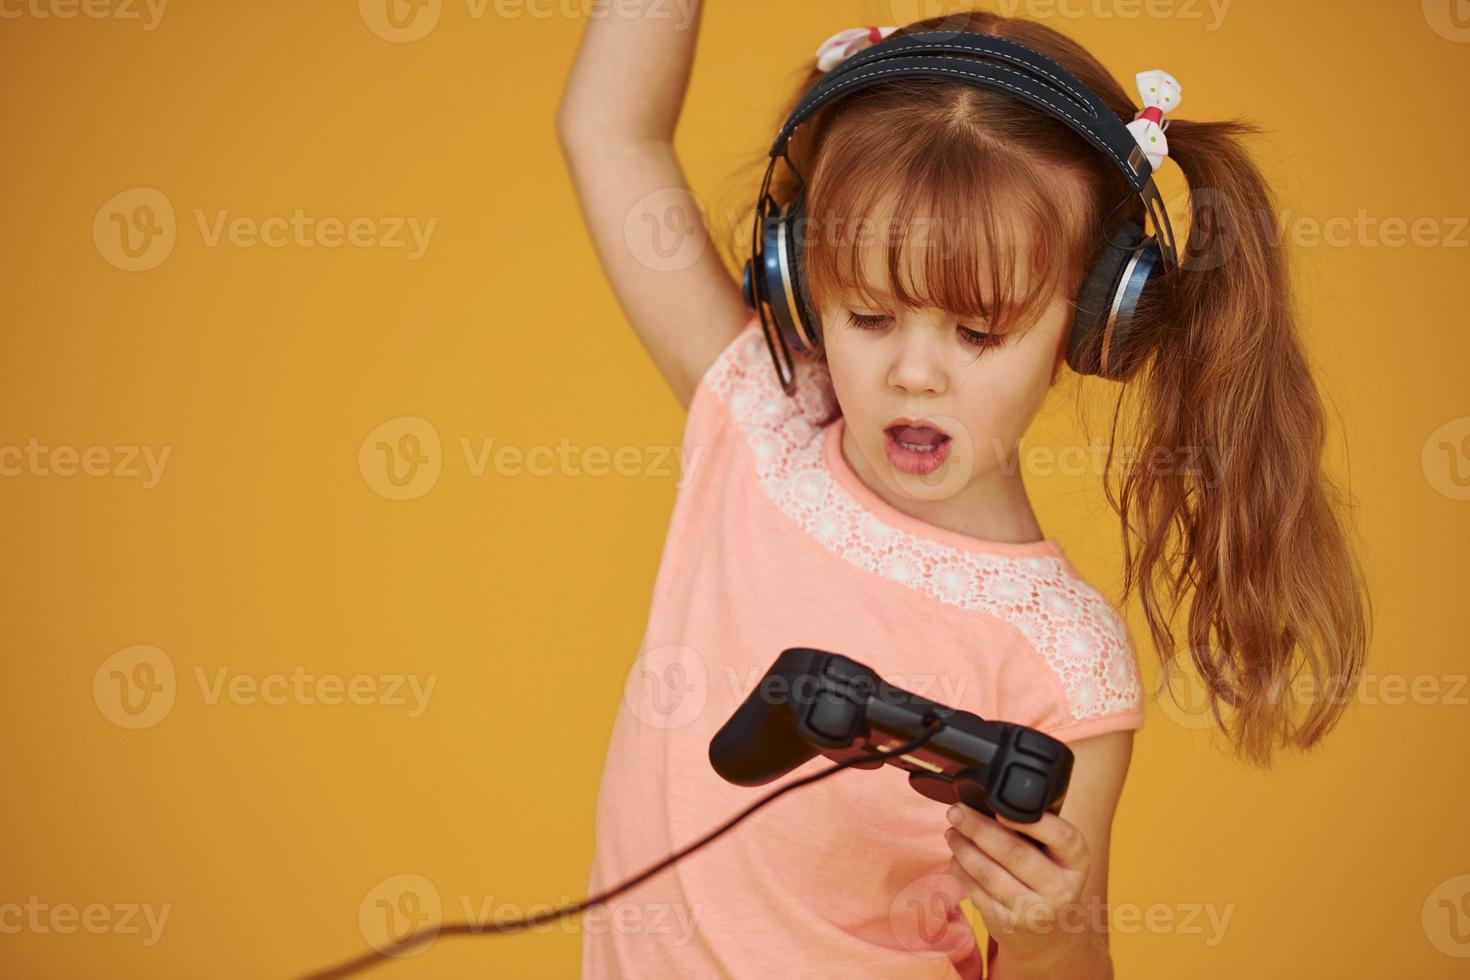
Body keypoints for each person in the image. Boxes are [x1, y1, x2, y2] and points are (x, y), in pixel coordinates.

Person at [556, 6, 1370, 978]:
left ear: (1091, 326)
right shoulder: (759, 419)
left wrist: (1050, 926)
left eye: (978, 333)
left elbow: (1067, 964)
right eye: (868, 313)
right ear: (798, 276)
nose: (916, 372)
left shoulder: (1060, 658)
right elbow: (609, 132)